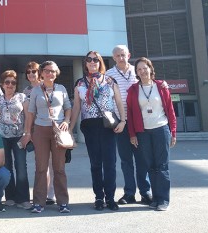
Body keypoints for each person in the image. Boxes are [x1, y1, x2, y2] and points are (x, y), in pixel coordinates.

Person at [72, 51, 126, 212]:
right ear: (85, 63)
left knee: (110, 163)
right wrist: (69, 128)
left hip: (107, 125)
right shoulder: (80, 83)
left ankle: (110, 198)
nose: (92, 62)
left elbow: (118, 102)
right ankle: (99, 198)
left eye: (96, 59)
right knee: (95, 164)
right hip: (89, 126)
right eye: (89, 59)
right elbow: (76, 107)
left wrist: (123, 121)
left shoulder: (110, 81)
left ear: (100, 62)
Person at [127, 57, 177, 212]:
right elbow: (130, 112)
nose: (142, 71)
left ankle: (163, 199)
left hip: (161, 129)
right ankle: (155, 198)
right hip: (143, 132)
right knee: (150, 166)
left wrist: (173, 132)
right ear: (136, 72)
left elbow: (170, 110)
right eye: (139, 69)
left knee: (162, 166)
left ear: (150, 68)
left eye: (145, 68)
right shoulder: (133, 90)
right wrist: (132, 134)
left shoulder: (161, 86)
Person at [106, 45, 152, 205]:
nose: (121, 58)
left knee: (142, 159)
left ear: (129, 55)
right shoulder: (108, 75)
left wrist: (164, 84)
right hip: (120, 123)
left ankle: (145, 192)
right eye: (117, 55)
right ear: (113, 58)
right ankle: (129, 193)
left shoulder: (138, 70)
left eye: (123, 54)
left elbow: (151, 83)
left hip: (140, 122)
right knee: (126, 160)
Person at [24, 60, 72, 214]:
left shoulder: (62, 88)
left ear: (56, 73)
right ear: (42, 73)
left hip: (58, 130)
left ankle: (63, 202)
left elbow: (68, 108)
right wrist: (28, 132)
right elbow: (31, 113)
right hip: (40, 129)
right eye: (46, 71)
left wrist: (66, 121)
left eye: (52, 71)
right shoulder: (36, 90)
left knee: (59, 168)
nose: (50, 73)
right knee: (41, 168)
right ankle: (38, 203)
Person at [0, 70, 31, 209]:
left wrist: (27, 134)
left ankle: (23, 198)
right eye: (7, 82)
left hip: (19, 136)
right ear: (2, 84)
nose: (10, 85)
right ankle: (10, 197)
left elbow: (28, 117)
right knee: (6, 167)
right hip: (2, 137)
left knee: (21, 166)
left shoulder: (22, 98)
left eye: (13, 82)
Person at [22, 61, 55, 206]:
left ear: (39, 73)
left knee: (51, 163)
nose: (31, 74)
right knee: (40, 163)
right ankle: (41, 192)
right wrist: (27, 131)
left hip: (49, 127)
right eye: (28, 72)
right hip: (34, 129)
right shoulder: (25, 92)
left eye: (33, 72)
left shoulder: (47, 87)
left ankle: (51, 194)